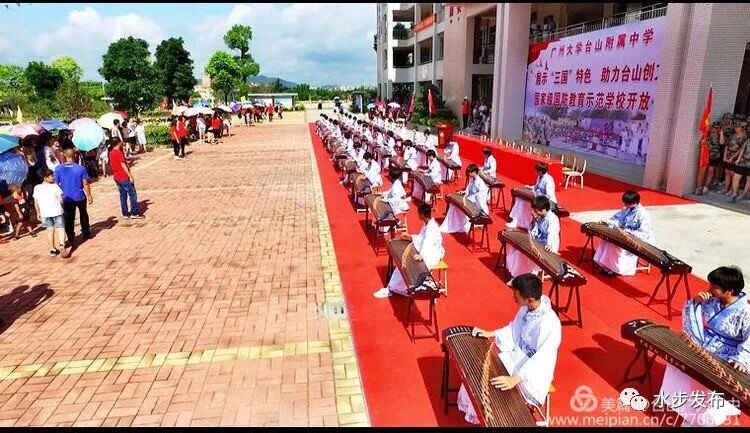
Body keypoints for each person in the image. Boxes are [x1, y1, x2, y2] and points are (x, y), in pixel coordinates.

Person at [457, 273, 562, 425]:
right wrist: (490, 333)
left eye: (516, 296)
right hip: (516, 357)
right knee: (481, 371)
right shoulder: (527, 308)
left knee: (492, 385)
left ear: (529, 299)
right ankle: (479, 412)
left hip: (533, 372)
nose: (513, 298)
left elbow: (542, 359)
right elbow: (514, 329)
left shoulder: (549, 324)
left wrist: (515, 379)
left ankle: (494, 418)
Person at [658, 266, 747, 427]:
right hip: (705, 342)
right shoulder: (712, 300)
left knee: (706, 378)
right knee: (677, 362)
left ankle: (705, 418)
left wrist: (742, 359)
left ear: (729, 291)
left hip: (729, 352)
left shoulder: (746, 312)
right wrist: (696, 302)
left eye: (714, 287)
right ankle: (686, 409)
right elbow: (693, 314)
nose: (709, 289)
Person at [373, 203, 444, 298]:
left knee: (407, 263)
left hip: (432, 254)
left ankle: (394, 288)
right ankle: (393, 287)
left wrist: (421, 255)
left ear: (422, 214)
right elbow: (421, 238)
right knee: (403, 260)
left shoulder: (431, 227)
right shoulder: (428, 224)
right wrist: (410, 236)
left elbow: (427, 243)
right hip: (427, 250)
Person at [593, 190, 654, 276]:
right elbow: (616, 219)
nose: (625, 205)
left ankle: (614, 269)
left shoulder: (643, 214)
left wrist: (628, 232)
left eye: (627, 203)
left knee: (614, 245)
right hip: (625, 234)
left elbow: (644, 232)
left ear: (634, 202)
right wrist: (609, 223)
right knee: (607, 240)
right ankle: (606, 265)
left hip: (639, 238)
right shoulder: (627, 209)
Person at [505, 196, 560, 280]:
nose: (535, 212)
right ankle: (514, 272)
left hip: (546, 246)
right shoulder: (540, 216)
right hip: (537, 241)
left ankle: (521, 277)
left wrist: (549, 246)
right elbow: (533, 231)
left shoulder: (552, 219)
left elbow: (552, 235)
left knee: (522, 255)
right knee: (516, 249)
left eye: (537, 210)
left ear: (544, 210)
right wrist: (534, 222)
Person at [54, 148, 93, 246]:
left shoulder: (59, 168)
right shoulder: (80, 168)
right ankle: (86, 232)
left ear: (64, 156)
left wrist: (57, 197)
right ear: (74, 155)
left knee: (68, 218)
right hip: (79, 196)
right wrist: (89, 195)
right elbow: (85, 183)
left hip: (66, 197)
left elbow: (55, 184)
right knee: (83, 214)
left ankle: (70, 237)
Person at [440, 164, 489, 234]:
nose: (469, 174)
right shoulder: (472, 180)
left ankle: (457, 225)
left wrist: (469, 198)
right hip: (469, 200)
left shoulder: (480, 182)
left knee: (455, 207)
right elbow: (468, 190)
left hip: (475, 204)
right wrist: (464, 192)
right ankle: (453, 225)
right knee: (453, 206)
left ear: (474, 172)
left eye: (470, 172)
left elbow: (481, 195)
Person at [507, 162, 557, 230]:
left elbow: (549, 195)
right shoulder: (539, 177)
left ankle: (527, 224)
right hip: (538, 198)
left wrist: (538, 196)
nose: (535, 171)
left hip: (548, 202)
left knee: (525, 203)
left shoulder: (549, 180)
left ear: (540, 171)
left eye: (536, 170)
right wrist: (530, 187)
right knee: (520, 200)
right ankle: (516, 221)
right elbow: (537, 187)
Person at [33, 168, 67, 257]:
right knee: (60, 228)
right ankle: (62, 245)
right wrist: (63, 207)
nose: (53, 177)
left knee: (49, 230)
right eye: (51, 176)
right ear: (45, 178)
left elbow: (36, 202)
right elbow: (61, 199)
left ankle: (52, 249)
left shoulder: (37, 188)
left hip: (45, 213)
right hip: (56, 211)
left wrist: (38, 213)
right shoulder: (55, 186)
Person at [109, 137, 143, 220]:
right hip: (123, 176)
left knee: (123, 195)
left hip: (117, 176)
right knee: (132, 194)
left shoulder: (111, 152)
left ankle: (125, 213)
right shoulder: (118, 153)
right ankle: (134, 213)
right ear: (118, 143)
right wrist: (130, 176)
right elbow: (123, 165)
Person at [694, 121, 723, 195]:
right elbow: (700, 144)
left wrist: (721, 133)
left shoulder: (720, 136)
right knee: (702, 171)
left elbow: (722, 142)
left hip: (715, 156)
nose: (715, 129)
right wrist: (703, 142)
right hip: (706, 155)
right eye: (713, 127)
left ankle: (705, 187)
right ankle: (699, 187)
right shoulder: (707, 135)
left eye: (717, 128)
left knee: (710, 171)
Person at [379, 167, 410, 233]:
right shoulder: (397, 182)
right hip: (397, 202)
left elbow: (396, 199)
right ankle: (394, 221)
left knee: (385, 207)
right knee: (384, 204)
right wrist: (382, 194)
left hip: (399, 204)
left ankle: (391, 223)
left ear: (391, 177)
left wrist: (386, 200)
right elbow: (390, 192)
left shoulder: (396, 185)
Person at [720, 116, 745, 196]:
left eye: (737, 127)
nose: (735, 128)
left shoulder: (743, 137)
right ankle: (726, 188)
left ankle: (732, 190)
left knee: (733, 173)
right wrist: (725, 156)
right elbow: (726, 145)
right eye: (735, 127)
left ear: (741, 128)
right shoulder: (732, 135)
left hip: (735, 157)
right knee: (727, 172)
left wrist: (732, 157)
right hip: (728, 155)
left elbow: (741, 149)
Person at [727, 118, 749, 202]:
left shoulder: (745, 137)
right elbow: (742, 150)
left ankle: (743, 195)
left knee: (749, 179)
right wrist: (738, 159)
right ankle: (734, 193)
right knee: (736, 176)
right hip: (743, 161)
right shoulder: (748, 140)